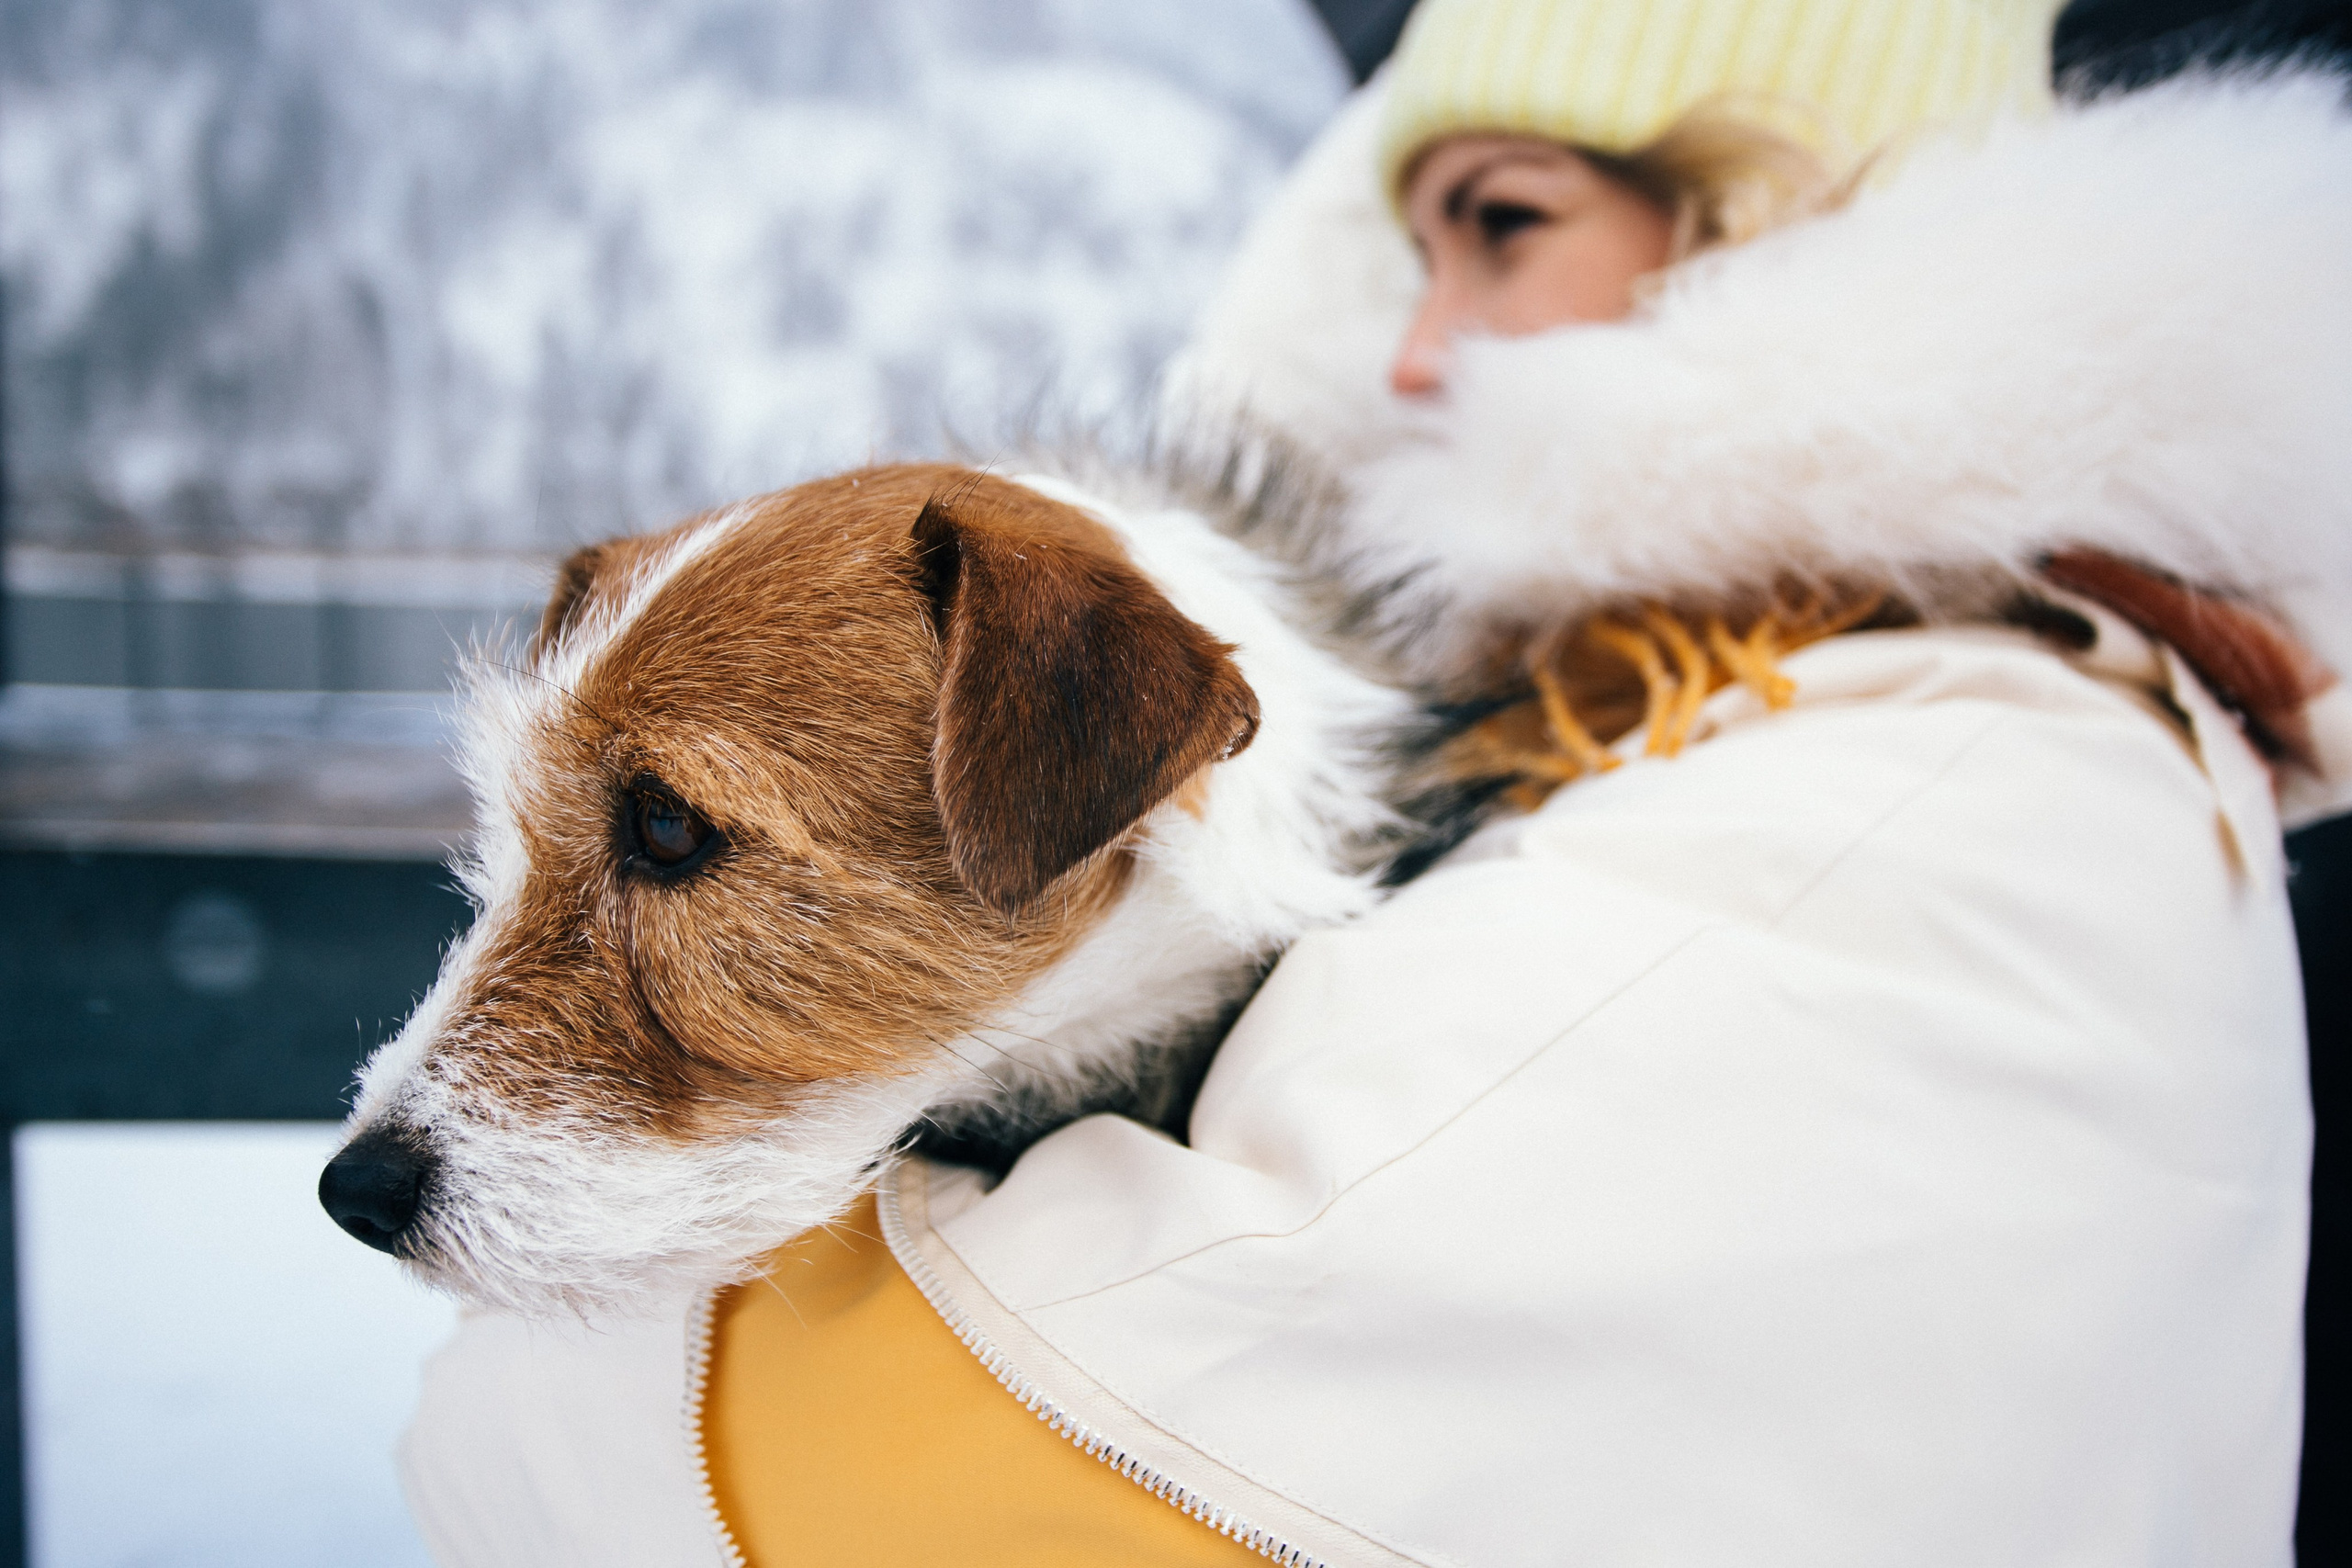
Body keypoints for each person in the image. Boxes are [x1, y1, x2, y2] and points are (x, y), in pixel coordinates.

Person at [400, 3, 2352, 1563]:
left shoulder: (1947, 766)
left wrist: (515, 1396)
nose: (1416, 352)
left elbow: (1043, 1463)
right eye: (1410, 248)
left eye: (1503, 225)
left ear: (1787, 225)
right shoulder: (1711, 723)